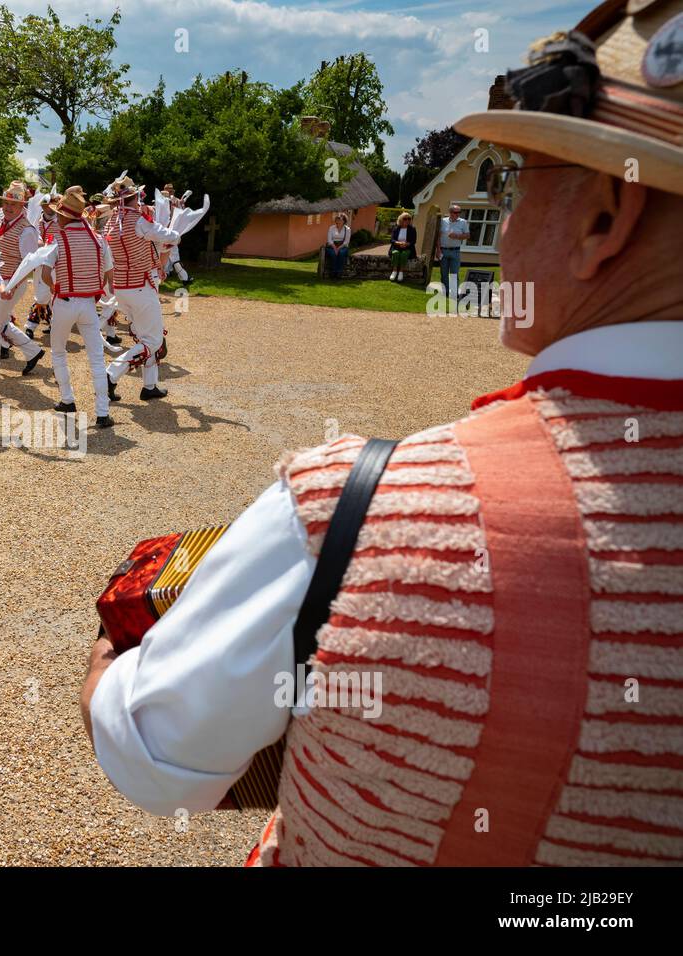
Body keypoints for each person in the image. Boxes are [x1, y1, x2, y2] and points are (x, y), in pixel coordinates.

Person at [81, 0, 683, 866]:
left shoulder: (363, 509)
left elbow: (152, 757)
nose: (506, 220)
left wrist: (112, 650)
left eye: (519, 183)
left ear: (602, 220)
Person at [6, 185, 115, 428]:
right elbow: (109, 273)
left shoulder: (58, 241)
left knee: (58, 351)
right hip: (89, 304)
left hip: (65, 302)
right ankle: (102, 412)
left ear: (64, 215)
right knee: (96, 358)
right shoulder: (99, 240)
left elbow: (44, 275)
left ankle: (68, 399)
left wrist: (58, 289)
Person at [101, 175, 182, 402]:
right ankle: (111, 374)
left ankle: (150, 385)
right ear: (135, 197)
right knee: (153, 340)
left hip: (122, 286)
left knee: (145, 335)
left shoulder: (111, 221)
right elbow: (169, 236)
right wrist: (177, 233)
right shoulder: (138, 220)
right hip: (140, 286)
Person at [0, 181, 44, 384]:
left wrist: (12, 286)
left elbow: (29, 264)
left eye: (12, 204)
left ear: (22, 206)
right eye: (5, 203)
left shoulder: (27, 230)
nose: (7, 207)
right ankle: (33, 351)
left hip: (11, 282)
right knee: (2, 322)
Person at [23, 192, 58, 340]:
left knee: (47, 294)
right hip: (40, 260)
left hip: (56, 262)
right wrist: (39, 244)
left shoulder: (60, 220)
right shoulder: (39, 220)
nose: (48, 208)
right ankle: (51, 324)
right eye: (44, 205)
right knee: (43, 293)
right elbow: (35, 235)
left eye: (49, 205)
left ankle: (31, 326)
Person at [437, 203, 470, 306]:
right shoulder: (443, 221)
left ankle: (454, 293)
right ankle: (445, 292)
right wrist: (438, 250)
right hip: (443, 250)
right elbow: (437, 236)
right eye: (455, 212)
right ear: (450, 212)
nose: (457, 214)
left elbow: (468, 235)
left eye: (459, 212)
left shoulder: (463, 222)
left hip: (455, 251)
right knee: (443, 273)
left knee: (454, 273)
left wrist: (457, 236)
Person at [388, 211, 417, 282]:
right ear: (400, 220)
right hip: (396, 247)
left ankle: (401, 272)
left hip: (408, 248)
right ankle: (394, 271)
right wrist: (398, 243)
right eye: (405, 219)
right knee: (395, 253)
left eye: (409, 219)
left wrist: (407, 244)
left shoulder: (412, 229)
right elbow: (391, 240)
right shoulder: (396, 228)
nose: (407, 220)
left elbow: (413, 241)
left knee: (404, 254)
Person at [323, 212, 350, 278]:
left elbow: (346, 242)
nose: (337, 221)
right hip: (332, 246)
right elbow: (329, 240)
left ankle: (339, 272)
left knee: (341, 253)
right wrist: (335, 248)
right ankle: (333, 272)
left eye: (339, 219)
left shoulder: (347, 229)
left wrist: (339, 248)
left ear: (344, 221)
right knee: (333, 254)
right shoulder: (331, 228)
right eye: (336, 219)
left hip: (343, 246)